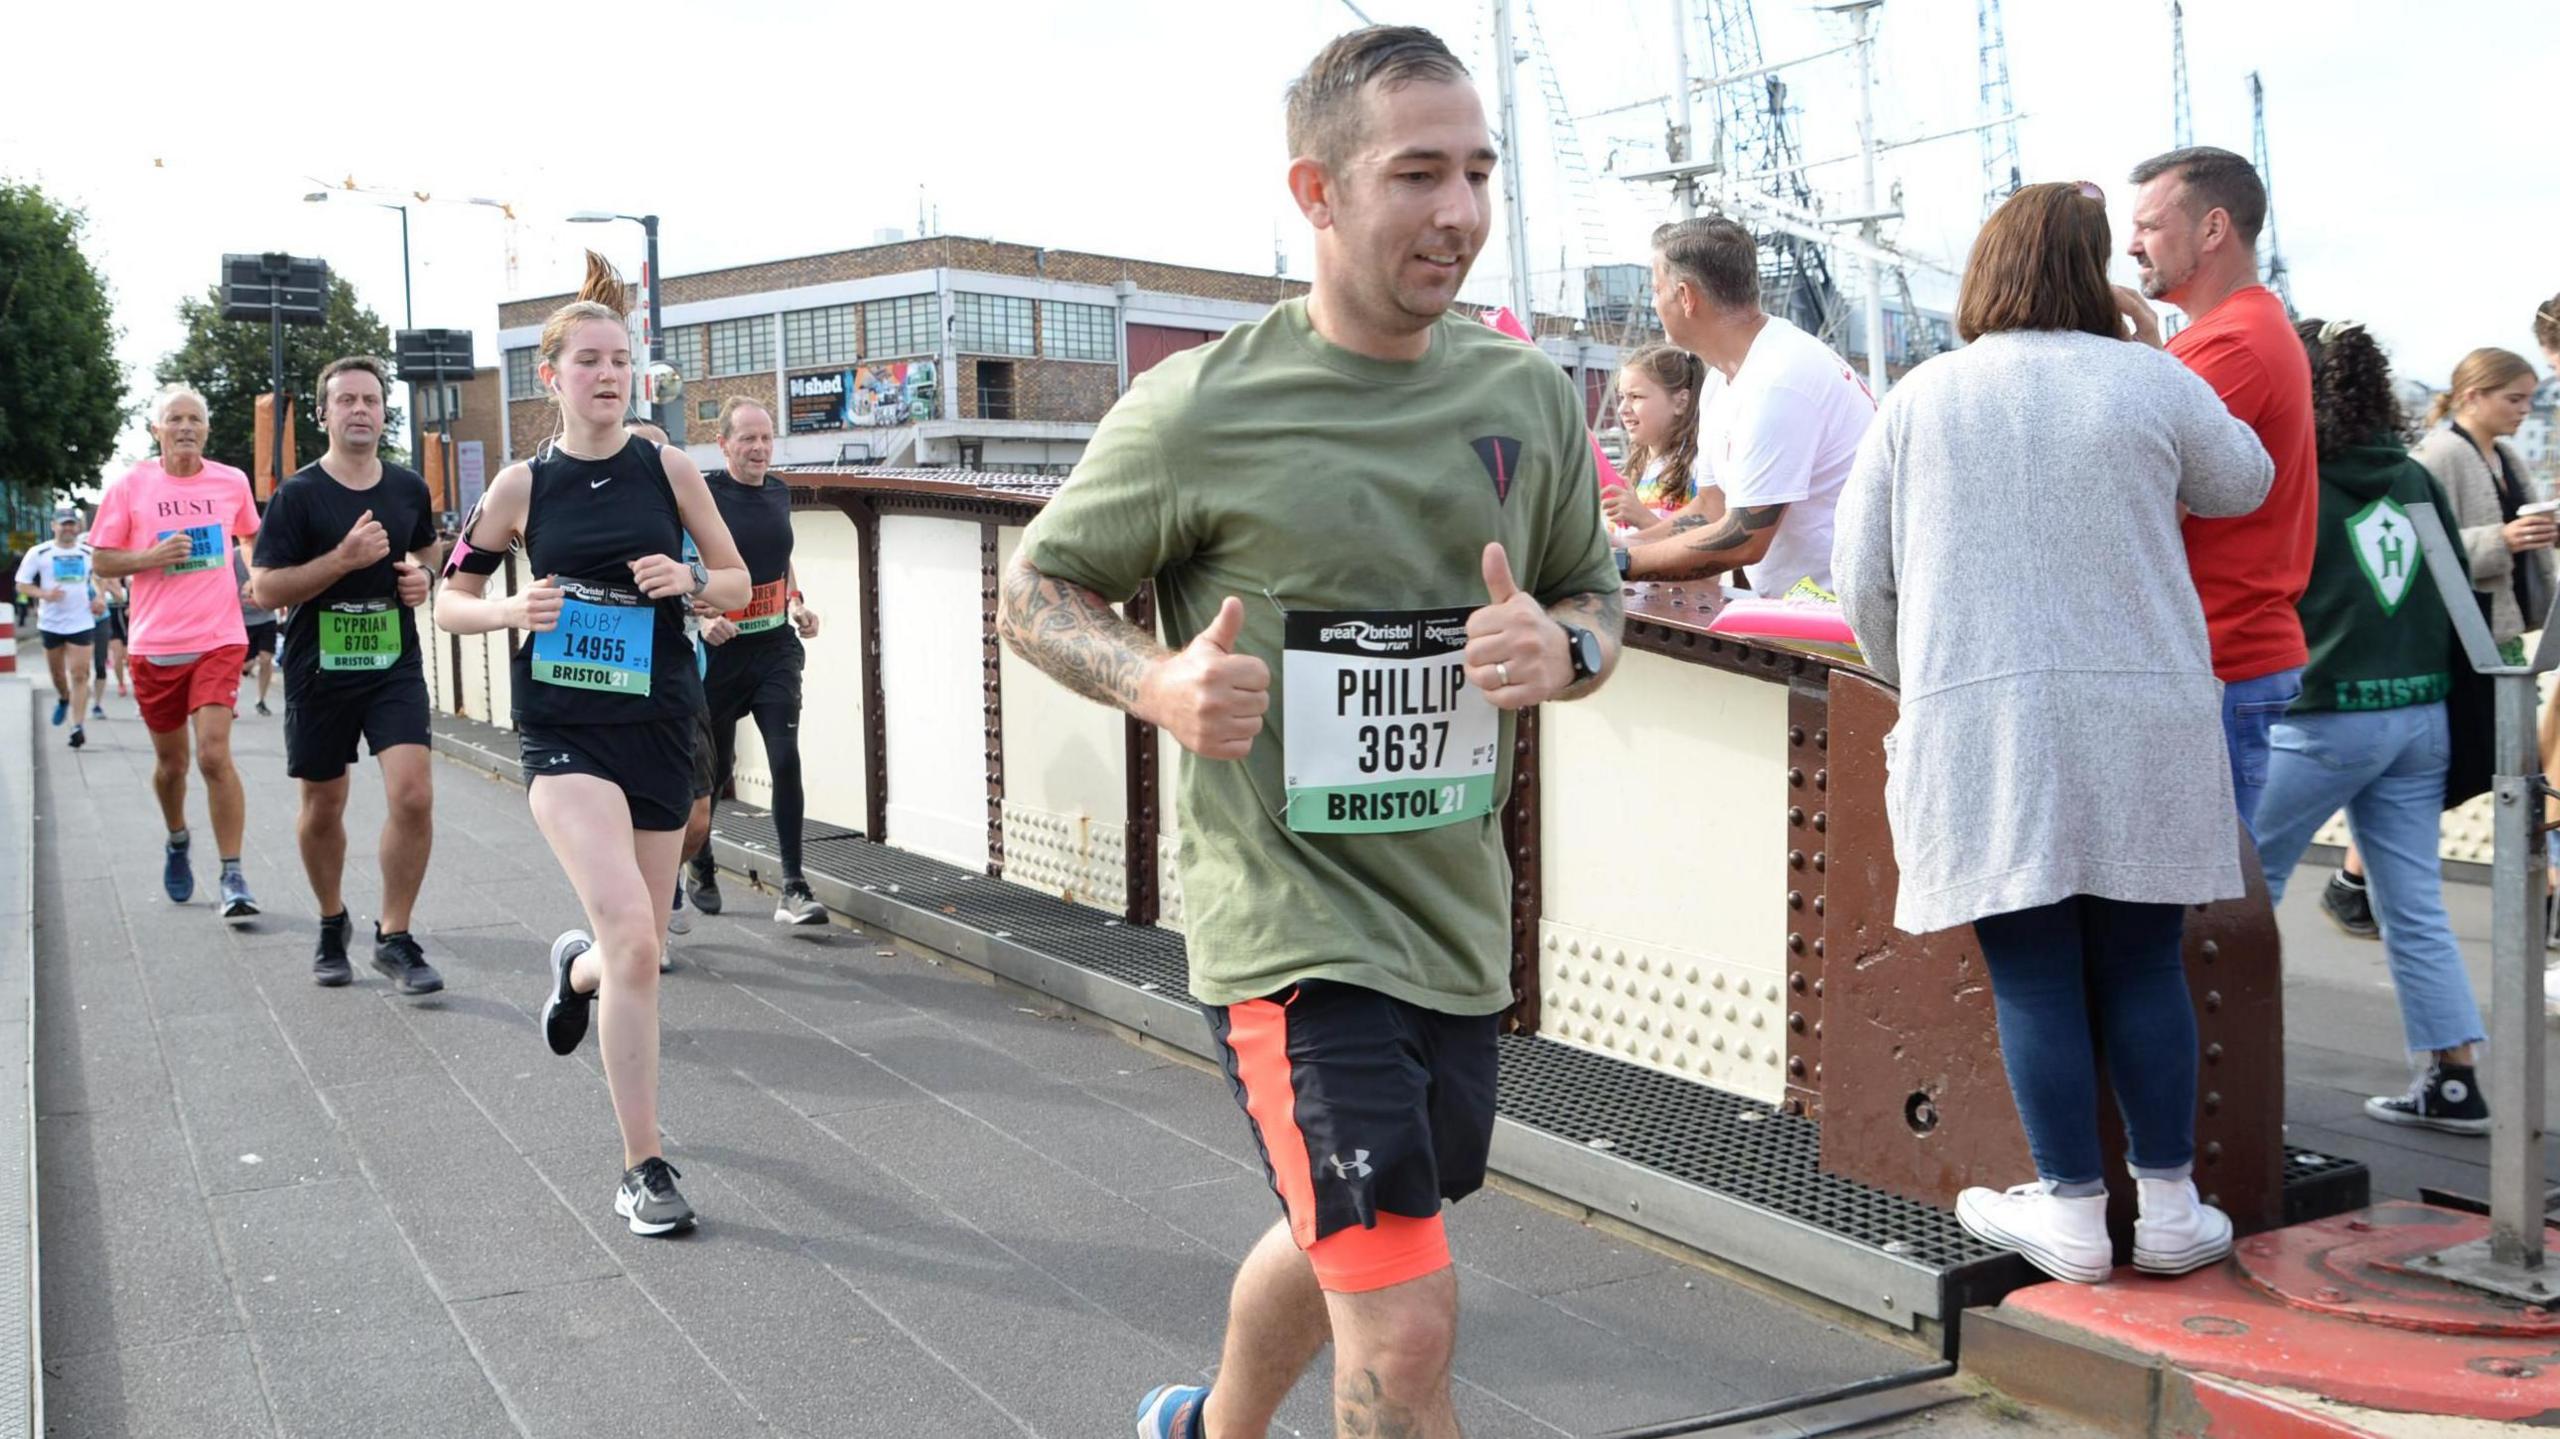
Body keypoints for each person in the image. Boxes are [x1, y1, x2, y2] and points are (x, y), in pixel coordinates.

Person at [1001, 29, 1621, 1439]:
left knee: (1364, 1215)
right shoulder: (1199, 407)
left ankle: (1209, 1426)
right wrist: (1155, 682)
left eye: (1477, 171)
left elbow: (1597, 589)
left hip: (1454, 923)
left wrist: (1567, 644)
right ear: (1319, 191)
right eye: (1417, 173)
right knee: (1404, 1327)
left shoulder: (1523, 396)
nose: (1459, 210)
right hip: (1289, 926)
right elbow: (1035, 590)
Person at [1833, 182, 2273, 1285]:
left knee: (2030, 972)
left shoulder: (1922, 396)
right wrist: (2145, 340)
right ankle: (2169, 1204)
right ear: (2095, 275)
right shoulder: (2149, 378)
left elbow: (1861, 579)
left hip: (1984, 716)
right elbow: (2243, 481)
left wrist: (1915, 676)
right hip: (2144, 713)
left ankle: (2073, 1211)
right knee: (2141, 961)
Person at [433, 253, 747, 1237]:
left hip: (659, 719)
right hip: (565, 731)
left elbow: (739, 581)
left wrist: (690, 582)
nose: (610, 376)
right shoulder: (524, 485)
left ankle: (575, 972)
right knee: (632, 932)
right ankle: (642, 1165)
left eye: (622, 362)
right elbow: (448, 595)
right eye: (591, 362)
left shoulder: (670, 466)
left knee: (632, 952)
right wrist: (507, 609)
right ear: (553, 376)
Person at [2245, 319, 2490, 1135]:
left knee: (2239, 897)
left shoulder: (2293, 476)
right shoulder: (2417, 481)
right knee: (2412, 902)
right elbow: (2456, 596)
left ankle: (2231, 1074)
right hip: (2421, 714)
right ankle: (2454, 1078)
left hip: (2319, 716)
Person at [2126, 146, 2318, 835]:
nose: (2131, 246)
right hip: (2231, 656)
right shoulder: (2239, 334)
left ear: (2212, 229)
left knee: (2202, 921)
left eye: (2149, 226)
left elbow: (2140, 503)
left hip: (2217, 660)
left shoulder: (2229, 347)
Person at [248, 355, 446, 996]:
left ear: (384, 411)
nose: (360, 410)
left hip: (392, 661)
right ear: (324, 412)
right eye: (346, 401)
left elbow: (429, 549)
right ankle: (332, 920)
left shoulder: (408, 487)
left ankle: (394, 936)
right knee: (323, 803)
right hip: (318, 666)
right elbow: (267, 586)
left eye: (370, 400)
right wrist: (343, 559)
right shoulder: (299, 494)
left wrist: (425, 577)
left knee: (412, 794)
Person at [1614, 216, 1874, 597]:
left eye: (1656, 289)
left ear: (1686, 297)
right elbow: (1711, 508)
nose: (1654, 303)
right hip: (1803, 607)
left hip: (1844, 616)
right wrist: (1622, 547)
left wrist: (1619, 567)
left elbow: (1744, 538)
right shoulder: (1724, 376)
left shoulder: (1778, 381)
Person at [90, 384, 263, 919]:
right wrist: (152, 556)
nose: (185, 427)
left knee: (213, 754)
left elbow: (251, 535)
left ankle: (233, 873)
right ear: (156, 430)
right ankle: (177, 837)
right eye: (175, 419)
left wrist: (256, 576)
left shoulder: (230, 480)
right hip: (155, 645)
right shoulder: (130, 486)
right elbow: (102, 561)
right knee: (172, 766)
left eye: (194, 419)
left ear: (206, 430)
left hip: (219, 637)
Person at [690, 396, 826, 926]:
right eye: (747, 438)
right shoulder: (704, 495)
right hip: (721, 653)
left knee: (785, 757)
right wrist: (702, 617)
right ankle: (699, 861)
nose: (759, 448)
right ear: (723, 444)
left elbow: (779, 557)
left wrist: (796, 602)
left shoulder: (778, 492)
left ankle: (793, 885)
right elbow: (684, 558)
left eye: (766, 437)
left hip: (773, 648)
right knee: (718, 770)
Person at [1599, 343, 1712, 541]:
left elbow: (1704, 551)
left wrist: (1642, 518)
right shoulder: (1634, 472)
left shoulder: (1699, 469)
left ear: (1680, 402)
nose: (1622, 409)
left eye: (1636, 396)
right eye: (1622, 397)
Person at [14, 505, 104, 749]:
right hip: (51, 622)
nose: (67, 528)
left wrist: (99, 598)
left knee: (79, 673)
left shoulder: (89, 553)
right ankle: (64, 697)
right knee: (57, 675)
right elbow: (22, 584)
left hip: (81, 621)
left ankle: (77, 727)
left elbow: (101, 578)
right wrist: (44, 593)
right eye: (62, 523)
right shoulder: (39, 552)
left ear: (77, 527)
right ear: (54, 526)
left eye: (71, 524)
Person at [234, 548, 279, 716]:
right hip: (243, 618)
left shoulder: (268, 552)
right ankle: (231, 699)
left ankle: (261, 700)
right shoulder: (234, 555)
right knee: (246, 664)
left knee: (266, 658)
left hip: (266, 615)